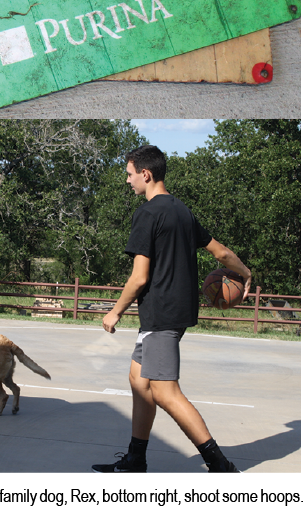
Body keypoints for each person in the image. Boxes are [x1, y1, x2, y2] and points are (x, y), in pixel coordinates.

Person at [93, 145, 251, 473]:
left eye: (129, 174)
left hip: (160, 314)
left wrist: (115, 311)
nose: (127, 180)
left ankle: (220, 465)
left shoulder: (147, 214)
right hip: (175, 312)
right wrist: (246, 273)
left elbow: (139, 278)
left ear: (145, 174)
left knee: (166, 393)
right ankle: (136, 458)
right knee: (139, 380)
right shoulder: (181, 210)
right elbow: (221, 254)